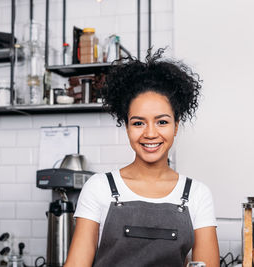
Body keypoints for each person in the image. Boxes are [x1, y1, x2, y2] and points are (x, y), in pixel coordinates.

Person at [65, 48, 220, 267]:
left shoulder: (196, 194)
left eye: (162, 122)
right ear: (127, 127)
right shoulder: (99, 187)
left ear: (176, 126)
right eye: (138, 123)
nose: (150, 133)